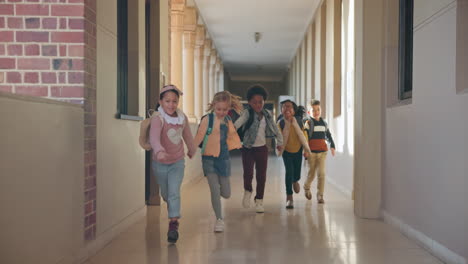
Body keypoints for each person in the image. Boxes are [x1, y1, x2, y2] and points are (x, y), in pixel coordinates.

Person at [149, 84, 196, 243]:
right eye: (167, 101)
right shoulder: (158, 118)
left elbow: (188, 135)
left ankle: (173, 224)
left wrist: (191, 148)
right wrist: (159, 150)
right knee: (166, 195)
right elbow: (154, 138)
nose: (171, 104)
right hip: (160, 163)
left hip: (177, 161)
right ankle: (172, 212)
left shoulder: (182, 118)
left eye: (174, 101)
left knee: (174, 192)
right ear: (161, 101)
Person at [194, 91, 242, 232]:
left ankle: (220, 193)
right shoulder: (207, 119)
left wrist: (239, 145)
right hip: (208, 158)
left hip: (224, 159)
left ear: (229, 108)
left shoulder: (228, 121)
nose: (221, 112)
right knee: (214, 190)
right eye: (219, 109)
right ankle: (219, 219)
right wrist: (190, 149)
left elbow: (232, 136)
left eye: (225, 109)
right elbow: (199, 136)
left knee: (226, 193)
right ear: (214, 106)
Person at [234, 84, 283, 213]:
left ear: (264, 102)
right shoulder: (247, 113)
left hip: (262, 149)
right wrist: (230, 131)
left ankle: (259, 200)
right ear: (249, 102)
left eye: (260, 102)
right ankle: (248, 191)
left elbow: (275, 127)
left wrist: (280, 141)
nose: (258, 105)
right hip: (248, 149)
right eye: (254, 102)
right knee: (248, 173)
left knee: (262, 176)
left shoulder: (267, 114)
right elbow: (238, 123)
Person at [277, 99, 312, 209]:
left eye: (289, 106)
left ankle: (295, 180)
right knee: (289, 171)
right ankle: (289, 197)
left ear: (294, 110)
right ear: (281, 110)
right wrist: (278, 144)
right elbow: (278, 136)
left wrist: (306, 150)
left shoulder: (299, 121)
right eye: (284, 107)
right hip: (286, 151)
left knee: (296, 172)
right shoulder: (281, 123)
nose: (287, 108)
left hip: (297, 151)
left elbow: (304, 135)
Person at [303, 99, 336, 204]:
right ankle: (306, 187)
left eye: (318, 109)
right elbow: (305, 138)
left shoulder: (324, 123)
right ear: (309, 112)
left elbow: (328, 135)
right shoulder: (308, 123)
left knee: (321, 173)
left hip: (322, 152)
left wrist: (332, 145)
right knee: (311, 174)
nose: (316, 112)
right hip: (312, 153)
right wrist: (306, 150)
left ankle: (320, 195)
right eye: (313, 110)